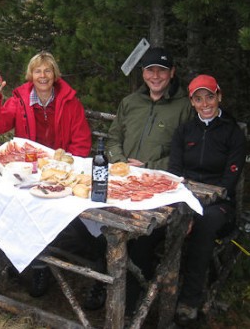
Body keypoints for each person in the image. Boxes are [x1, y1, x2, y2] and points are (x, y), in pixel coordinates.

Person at [83, 47, 194, 311]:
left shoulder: (184, 108)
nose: (156, 76)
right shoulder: (130, 102)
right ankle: (102, 280)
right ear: (143, 73)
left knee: (142, 241)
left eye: (162, 70)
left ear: (172, 73)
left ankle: (129, 305)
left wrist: (148, 166)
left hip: (156, 190)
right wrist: (120, 160)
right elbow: (112, 138)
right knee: (88, 223)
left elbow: (187, 153)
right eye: (150, 70)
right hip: (120, 183)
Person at [0, 51, 92, 297]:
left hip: (59, 174)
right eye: (38, 71)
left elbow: (82, 142)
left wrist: (64, 169)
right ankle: (32, 263)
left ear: (55, 75)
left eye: (48, 70)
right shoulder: (19, 99)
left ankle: (43, 263)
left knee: (52, 214)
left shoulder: (70, 101)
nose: (43, 75)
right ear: (30, 75)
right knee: (19, 208)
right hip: (27, 172)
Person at [169, 74, 246, 324]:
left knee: (203, 224)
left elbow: (228, 182)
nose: (205, 104)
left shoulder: (232, 133)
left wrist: (196, 209)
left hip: (219, 204)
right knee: (158, 221)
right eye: (199, 99)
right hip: (184, 197)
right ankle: (151, 287)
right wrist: (184, 206)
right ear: (192, 102)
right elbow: (175, 172)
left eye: (210, 97)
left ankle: (189, 300)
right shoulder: (184, 131)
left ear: (219, 97)